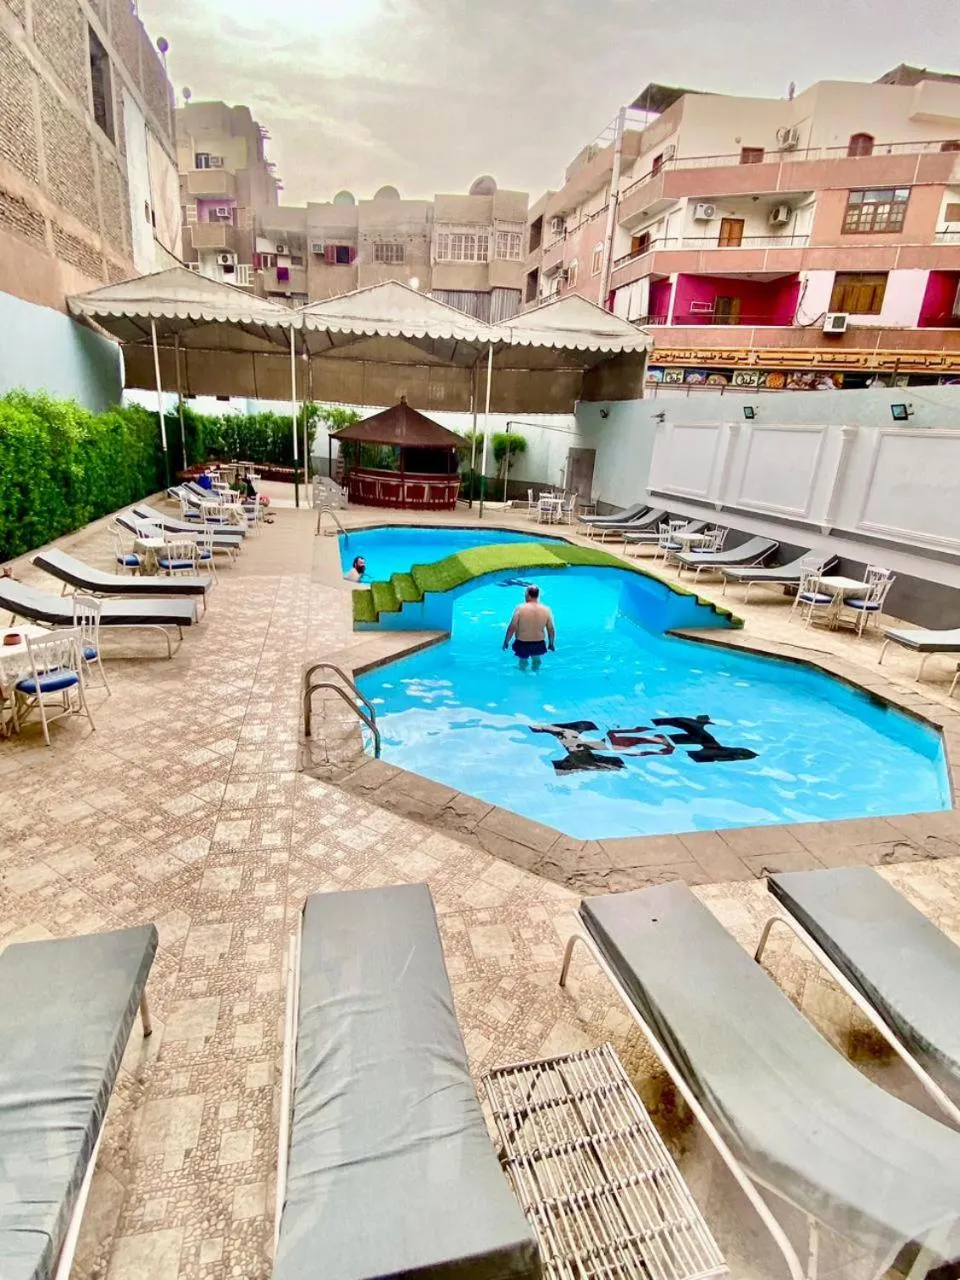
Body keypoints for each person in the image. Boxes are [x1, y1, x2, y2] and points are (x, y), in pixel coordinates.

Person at [503, 584, 555, 671]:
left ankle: (524, 674)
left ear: (528, 595)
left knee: (522, 661)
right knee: (536, 660)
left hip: (522, 643)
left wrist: (506, 641)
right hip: (539, 643)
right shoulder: (546, 609)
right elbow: (551, 629)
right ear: (537, 595)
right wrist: (551, 643)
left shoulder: (520, 608)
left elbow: (512, 627)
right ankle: (536, 673)